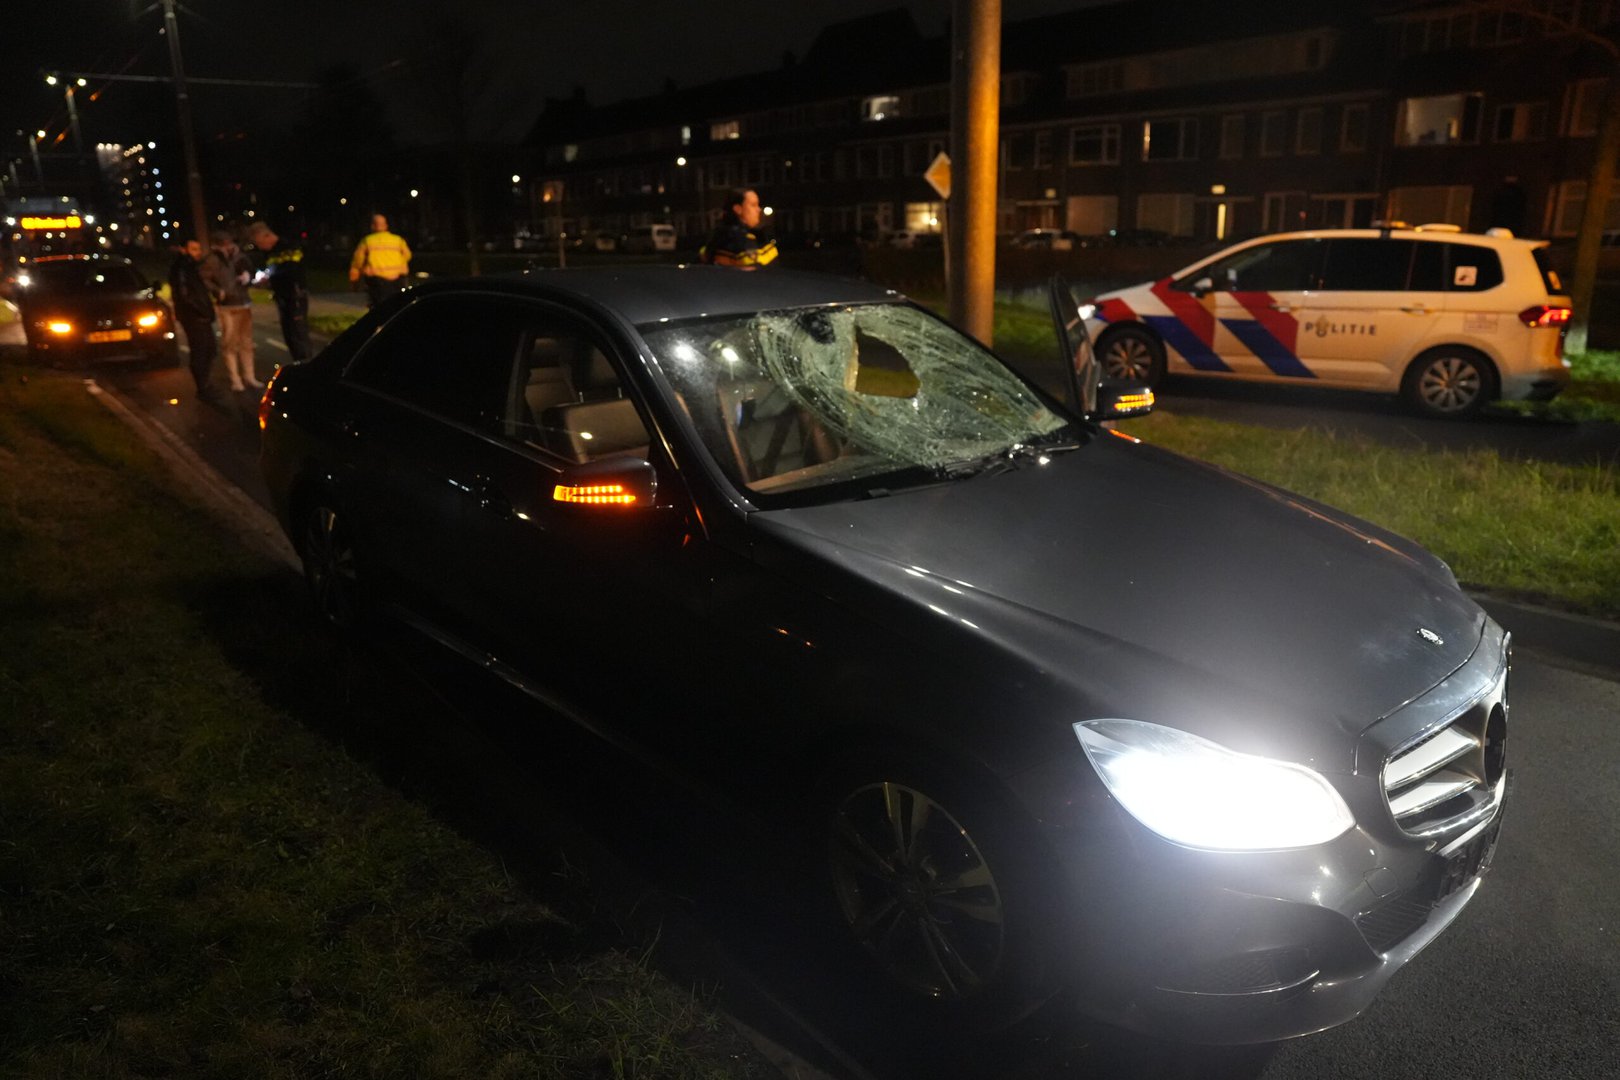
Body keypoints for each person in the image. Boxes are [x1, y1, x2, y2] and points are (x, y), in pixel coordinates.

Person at [202, 228, 259, 391]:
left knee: (246, 342)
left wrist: (248, 277)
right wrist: (217, 291)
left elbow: (251, 272)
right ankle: (235, 379)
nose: (228, 247)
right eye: (224, 244)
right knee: (230, 343)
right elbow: (204, 278)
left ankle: (249, 376)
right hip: (226, 306)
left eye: (229, 243)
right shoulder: (212, 260)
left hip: (243, 303)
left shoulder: (240, 257)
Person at [247, 221, 311, 363]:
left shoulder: (289, 247)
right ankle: (298, 364)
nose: (260, 247)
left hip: (295, 297)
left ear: (266, 236)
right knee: (289, 336)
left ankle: (307, 366)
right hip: (282, 297)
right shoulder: (271, 253)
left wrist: (270, 277)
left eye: (259, 243)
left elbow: (293, 270)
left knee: (299, 335)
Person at [168, 238, 219, 401]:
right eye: (194, 249)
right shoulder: (182, 267)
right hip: (193, 317)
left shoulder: (191, 267)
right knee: (201, 351)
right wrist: (201, 311)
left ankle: (205, 384)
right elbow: (185, 295)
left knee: (209, 349)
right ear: (184, 250)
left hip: (199, 315)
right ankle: (203, 387)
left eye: (199, 249)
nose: (198, 253)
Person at [699, 188, 778, 269]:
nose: (758, 209)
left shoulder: (718, 235)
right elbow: (753, 269)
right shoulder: (740, 239)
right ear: (738, 209)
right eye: (753, 205)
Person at [348, 213, 412, 308]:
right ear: (386, 225)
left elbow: (358, 261)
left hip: (376, 281)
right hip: (398, 279)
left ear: (373, 226)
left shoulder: (367, 240)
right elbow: (408, 255)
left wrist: (355, 279)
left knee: (379, 306)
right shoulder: (398, 240)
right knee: (397, 305)